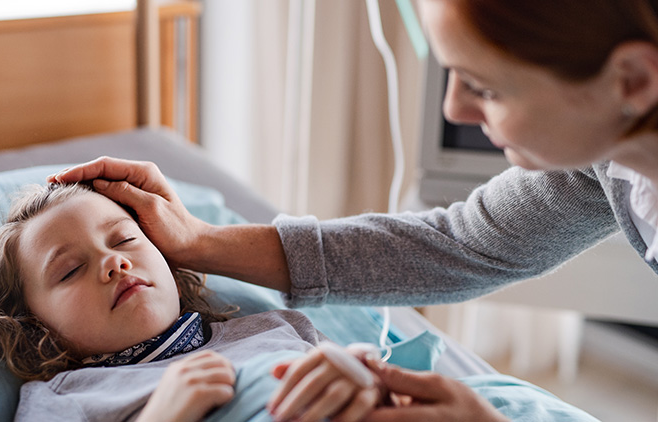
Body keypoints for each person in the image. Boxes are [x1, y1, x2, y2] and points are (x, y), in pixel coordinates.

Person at [48, 0, 658, 420]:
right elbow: (464, 244)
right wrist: (199, 240)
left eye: (487, 87)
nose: (455, 110)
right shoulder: (608, 161)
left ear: (632, 81)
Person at [0, 183, 389, 422]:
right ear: (36, 326)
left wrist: (370, 375)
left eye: (123, 240)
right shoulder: (65, 401)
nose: (113, 264)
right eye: (70, 270)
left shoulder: (274, 328)